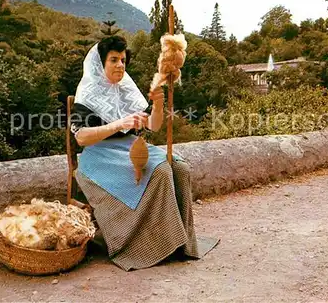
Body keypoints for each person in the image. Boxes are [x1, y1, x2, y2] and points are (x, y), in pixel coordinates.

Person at [71, 35, 218, 271]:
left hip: (128, 146)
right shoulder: (88, 92)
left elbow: (154, 125)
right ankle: (155, 244)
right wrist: (119, 124)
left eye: (123, 60)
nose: (120, 65)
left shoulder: (125, 88)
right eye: (114, 60)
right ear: (101, 63)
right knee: (159, 171)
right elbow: (81, 137)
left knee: (180, 167)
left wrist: (159, 104)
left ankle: (183, 243)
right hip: (98, 155)